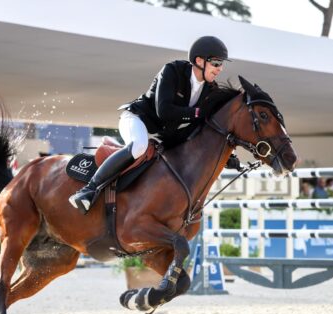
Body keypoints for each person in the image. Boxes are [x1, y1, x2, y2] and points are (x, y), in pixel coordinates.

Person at [69, 36, 231, 214]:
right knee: (139, 146)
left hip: (162, 134)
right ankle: (88, 191)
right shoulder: (173, 70)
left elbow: (204, 127)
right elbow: (164, 111)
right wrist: (198, 113)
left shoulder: (210, 89)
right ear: (199, 60)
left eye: (221, 64)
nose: (220, 69)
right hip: (137, 119)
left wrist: (225, 153)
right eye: (216, 63)